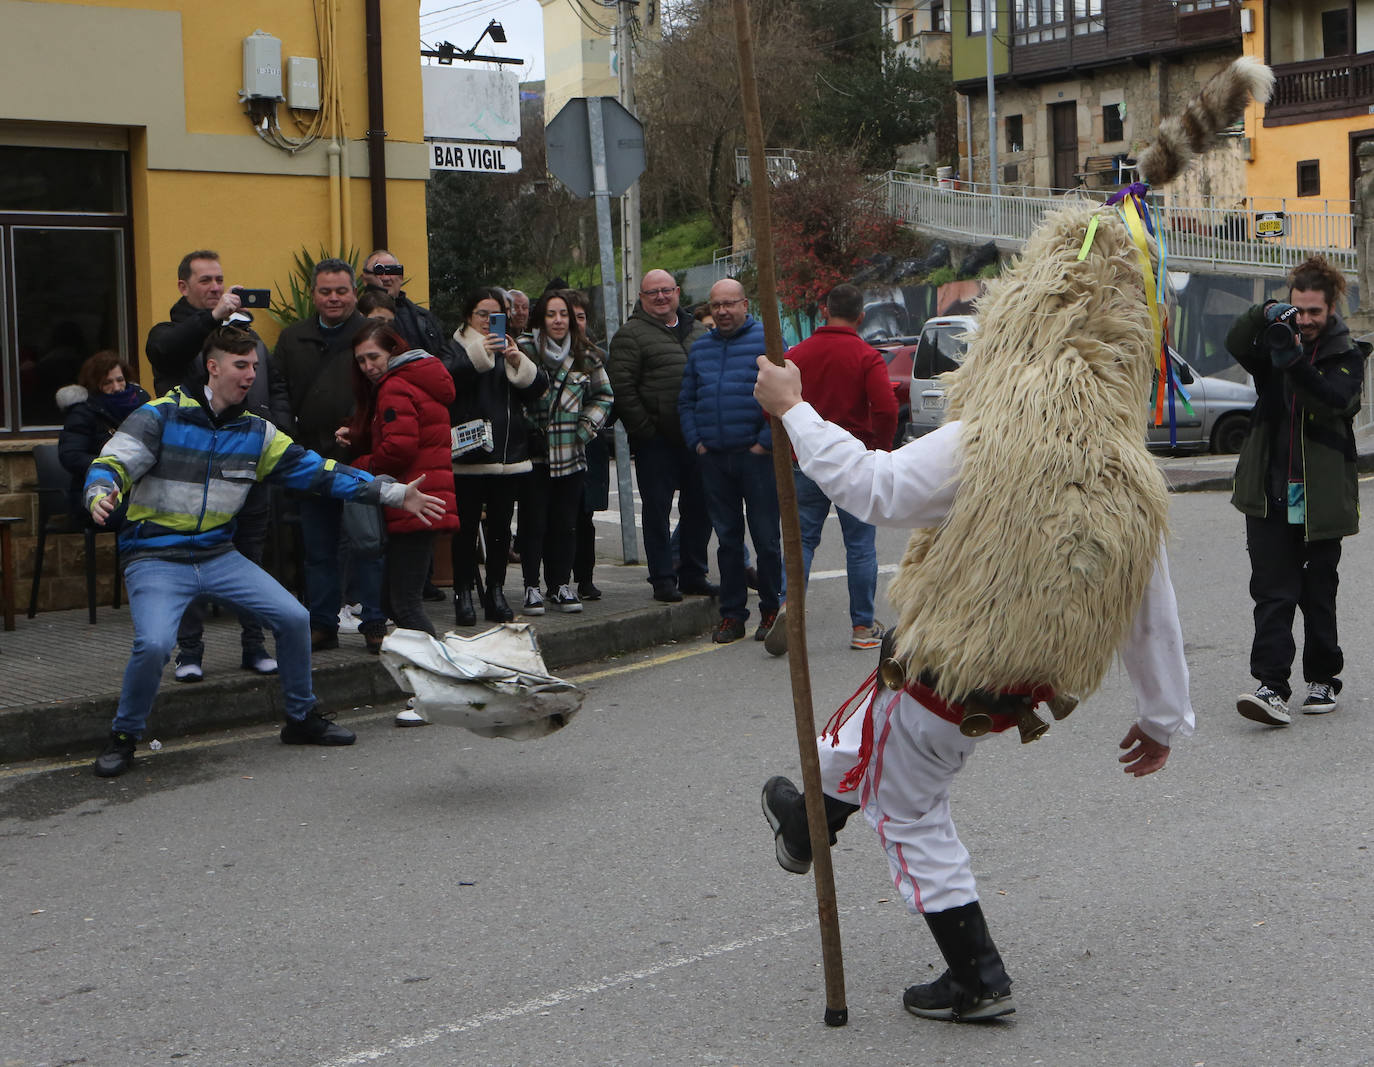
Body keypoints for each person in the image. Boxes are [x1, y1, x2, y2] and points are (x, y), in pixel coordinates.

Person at [751, 193, 1199, 1025]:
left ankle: (976, 975)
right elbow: (1148, 607)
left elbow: (874, 488)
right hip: (1009, 685)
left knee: (911, 804)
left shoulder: (990, 438)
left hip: (948, 674)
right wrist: (1163, 716)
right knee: (872, 735)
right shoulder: (1130, 475)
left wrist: (794, 410)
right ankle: (812, 811)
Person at [85, 325, 447, 778]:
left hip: (218, 554)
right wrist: (100, 490)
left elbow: (320, 472)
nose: (251, 375)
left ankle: (300, 718)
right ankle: (123, 737)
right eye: (241, 366)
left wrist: (392, 494)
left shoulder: (258, 434)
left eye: (255, 366)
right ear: (213, 368)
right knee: (155, 643)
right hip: (155, 556)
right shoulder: (159, 416)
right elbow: (112, 461)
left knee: (294, 619)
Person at [1228, 256, 1368, 725]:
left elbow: (1334, 402)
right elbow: (1233, 341)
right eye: (1298, 310)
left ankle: (1324, 676)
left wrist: (1294, 363)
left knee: (1317, 592)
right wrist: (1265, 314)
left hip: (1320, 497)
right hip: (1267, 491)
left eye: (1314, 312)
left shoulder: (1347, 355)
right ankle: (1271, 687)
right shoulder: (1274, 346)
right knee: (1272, 592)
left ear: (1331, 309)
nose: (1305, 321)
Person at [145, 249, 291, 678]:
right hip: (191, 464)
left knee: (250, 554)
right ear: (183, 287)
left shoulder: (242, 334)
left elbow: (274, 383)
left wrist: (276, 426)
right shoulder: (169, 333)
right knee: (186, 555)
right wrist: (211, 320)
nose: (215, 288)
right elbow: (168, 351)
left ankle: (254, 644)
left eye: (219, 280)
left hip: (245, 458)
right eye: (205, 280)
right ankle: (189, 653)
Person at [764, 283, 898, 656]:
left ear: (823, 310)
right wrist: (880, 448)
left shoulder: (798, 355)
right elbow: (886, 407)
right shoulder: (866, 356)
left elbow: (771, 403)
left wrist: (792, 440)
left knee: (801, 540)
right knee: (859, 545)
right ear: (861, 316)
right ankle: (862, 627)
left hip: (806, 462)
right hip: (854, 463)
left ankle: (789, 608)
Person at [342, 321, 459, 726]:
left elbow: (398, 449)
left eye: (373, 356)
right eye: (361, 361)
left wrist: (357, 465)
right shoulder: (421, 377)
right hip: (424, 499)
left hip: (413, 501)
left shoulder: (395, 385)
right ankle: (438, 684)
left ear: (393, 350)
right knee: (398, 600)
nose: (368, 366)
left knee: (403, 602)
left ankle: (439, 689)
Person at [274, 258, 387, 652]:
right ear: (313, 294)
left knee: (368, 546)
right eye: (325, 291)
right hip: (309, 458)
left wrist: (361, 430)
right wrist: (289, 436)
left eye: (342, 290)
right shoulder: (292, 338)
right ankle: (322, 624)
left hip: (359, 458)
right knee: (318, 550)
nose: (334, 298)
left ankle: (375, 623)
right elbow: (278, 391)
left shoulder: (374, 335)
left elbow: (389, 389)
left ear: (355, 292)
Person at [679, 278, 783, 644]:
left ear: (745, 305)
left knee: (767, 540)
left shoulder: (767, 345)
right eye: (716, 305)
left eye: (729, 304)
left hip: (756, 459)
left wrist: (764, 444)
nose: (722, 311)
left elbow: (785, 397)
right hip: (714, 460)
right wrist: (698, 442)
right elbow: (687, 400)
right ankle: (732, 615)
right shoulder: (701, 349)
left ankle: (771, 609)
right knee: (727, 542)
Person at [608, 269, 716, 604]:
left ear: (678, 292)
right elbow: (622, 388)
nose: (660, 297)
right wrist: (645, 429)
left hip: (697, 439)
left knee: (700, 508)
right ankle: (663, 579)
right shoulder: (631, 335)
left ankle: (694, 574)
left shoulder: (699, 331)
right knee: (656, 511)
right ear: (641, 298)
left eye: (666, 290)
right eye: (652, 292)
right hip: (656, 441)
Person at [448, 287, 548, 625]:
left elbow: (537, 390)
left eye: (497, 315)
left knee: (501, 530)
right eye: (482, 315)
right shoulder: (456, 346)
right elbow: (447, 381)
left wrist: (518, 360)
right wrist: (479, 354)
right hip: (468, 454)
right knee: (463, 530)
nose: (490, 323)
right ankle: (463, 594)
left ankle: (496, 591)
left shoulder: (510, 345)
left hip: (508, 455)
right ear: (468, 316)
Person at [516, 289, 614, 614]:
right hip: (534, 454)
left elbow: (604, 396)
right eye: (551, 314)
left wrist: (585, 430)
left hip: (571, 455)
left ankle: (560, 584)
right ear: (540, 318)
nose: (558, 321)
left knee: (566, 523)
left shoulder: (587, 354)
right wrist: (525, 429)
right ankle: (532, 587)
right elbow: (512, 394)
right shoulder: (523, 349)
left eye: (563, 315)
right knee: (534, 523)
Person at [56, 352, 150, 521]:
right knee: (134, 517)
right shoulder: (83, 413)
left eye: (120, 380)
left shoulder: (143, 406)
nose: (116, 387)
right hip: (94, 492)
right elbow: (71, 455)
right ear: (94, 384)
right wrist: (110, 466)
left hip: (141, 489)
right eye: (107, 382)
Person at [564, 289, 611, 600]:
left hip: (587, 445)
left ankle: (585, 579)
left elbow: (607, 397)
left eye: (581, 317)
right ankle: (555, 580)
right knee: (557, 517)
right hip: (552, 449)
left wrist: (586, 429)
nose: (575, 323)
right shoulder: (542, 353)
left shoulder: (595, 356)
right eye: (570, 316)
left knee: (585, 517)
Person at [360, 250, 456, 363]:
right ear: (365, 280)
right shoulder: (358, 316)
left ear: (400, 277)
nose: (386, 278)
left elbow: (443, 360)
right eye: (378, 271)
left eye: (391, 271)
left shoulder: (424, 317)